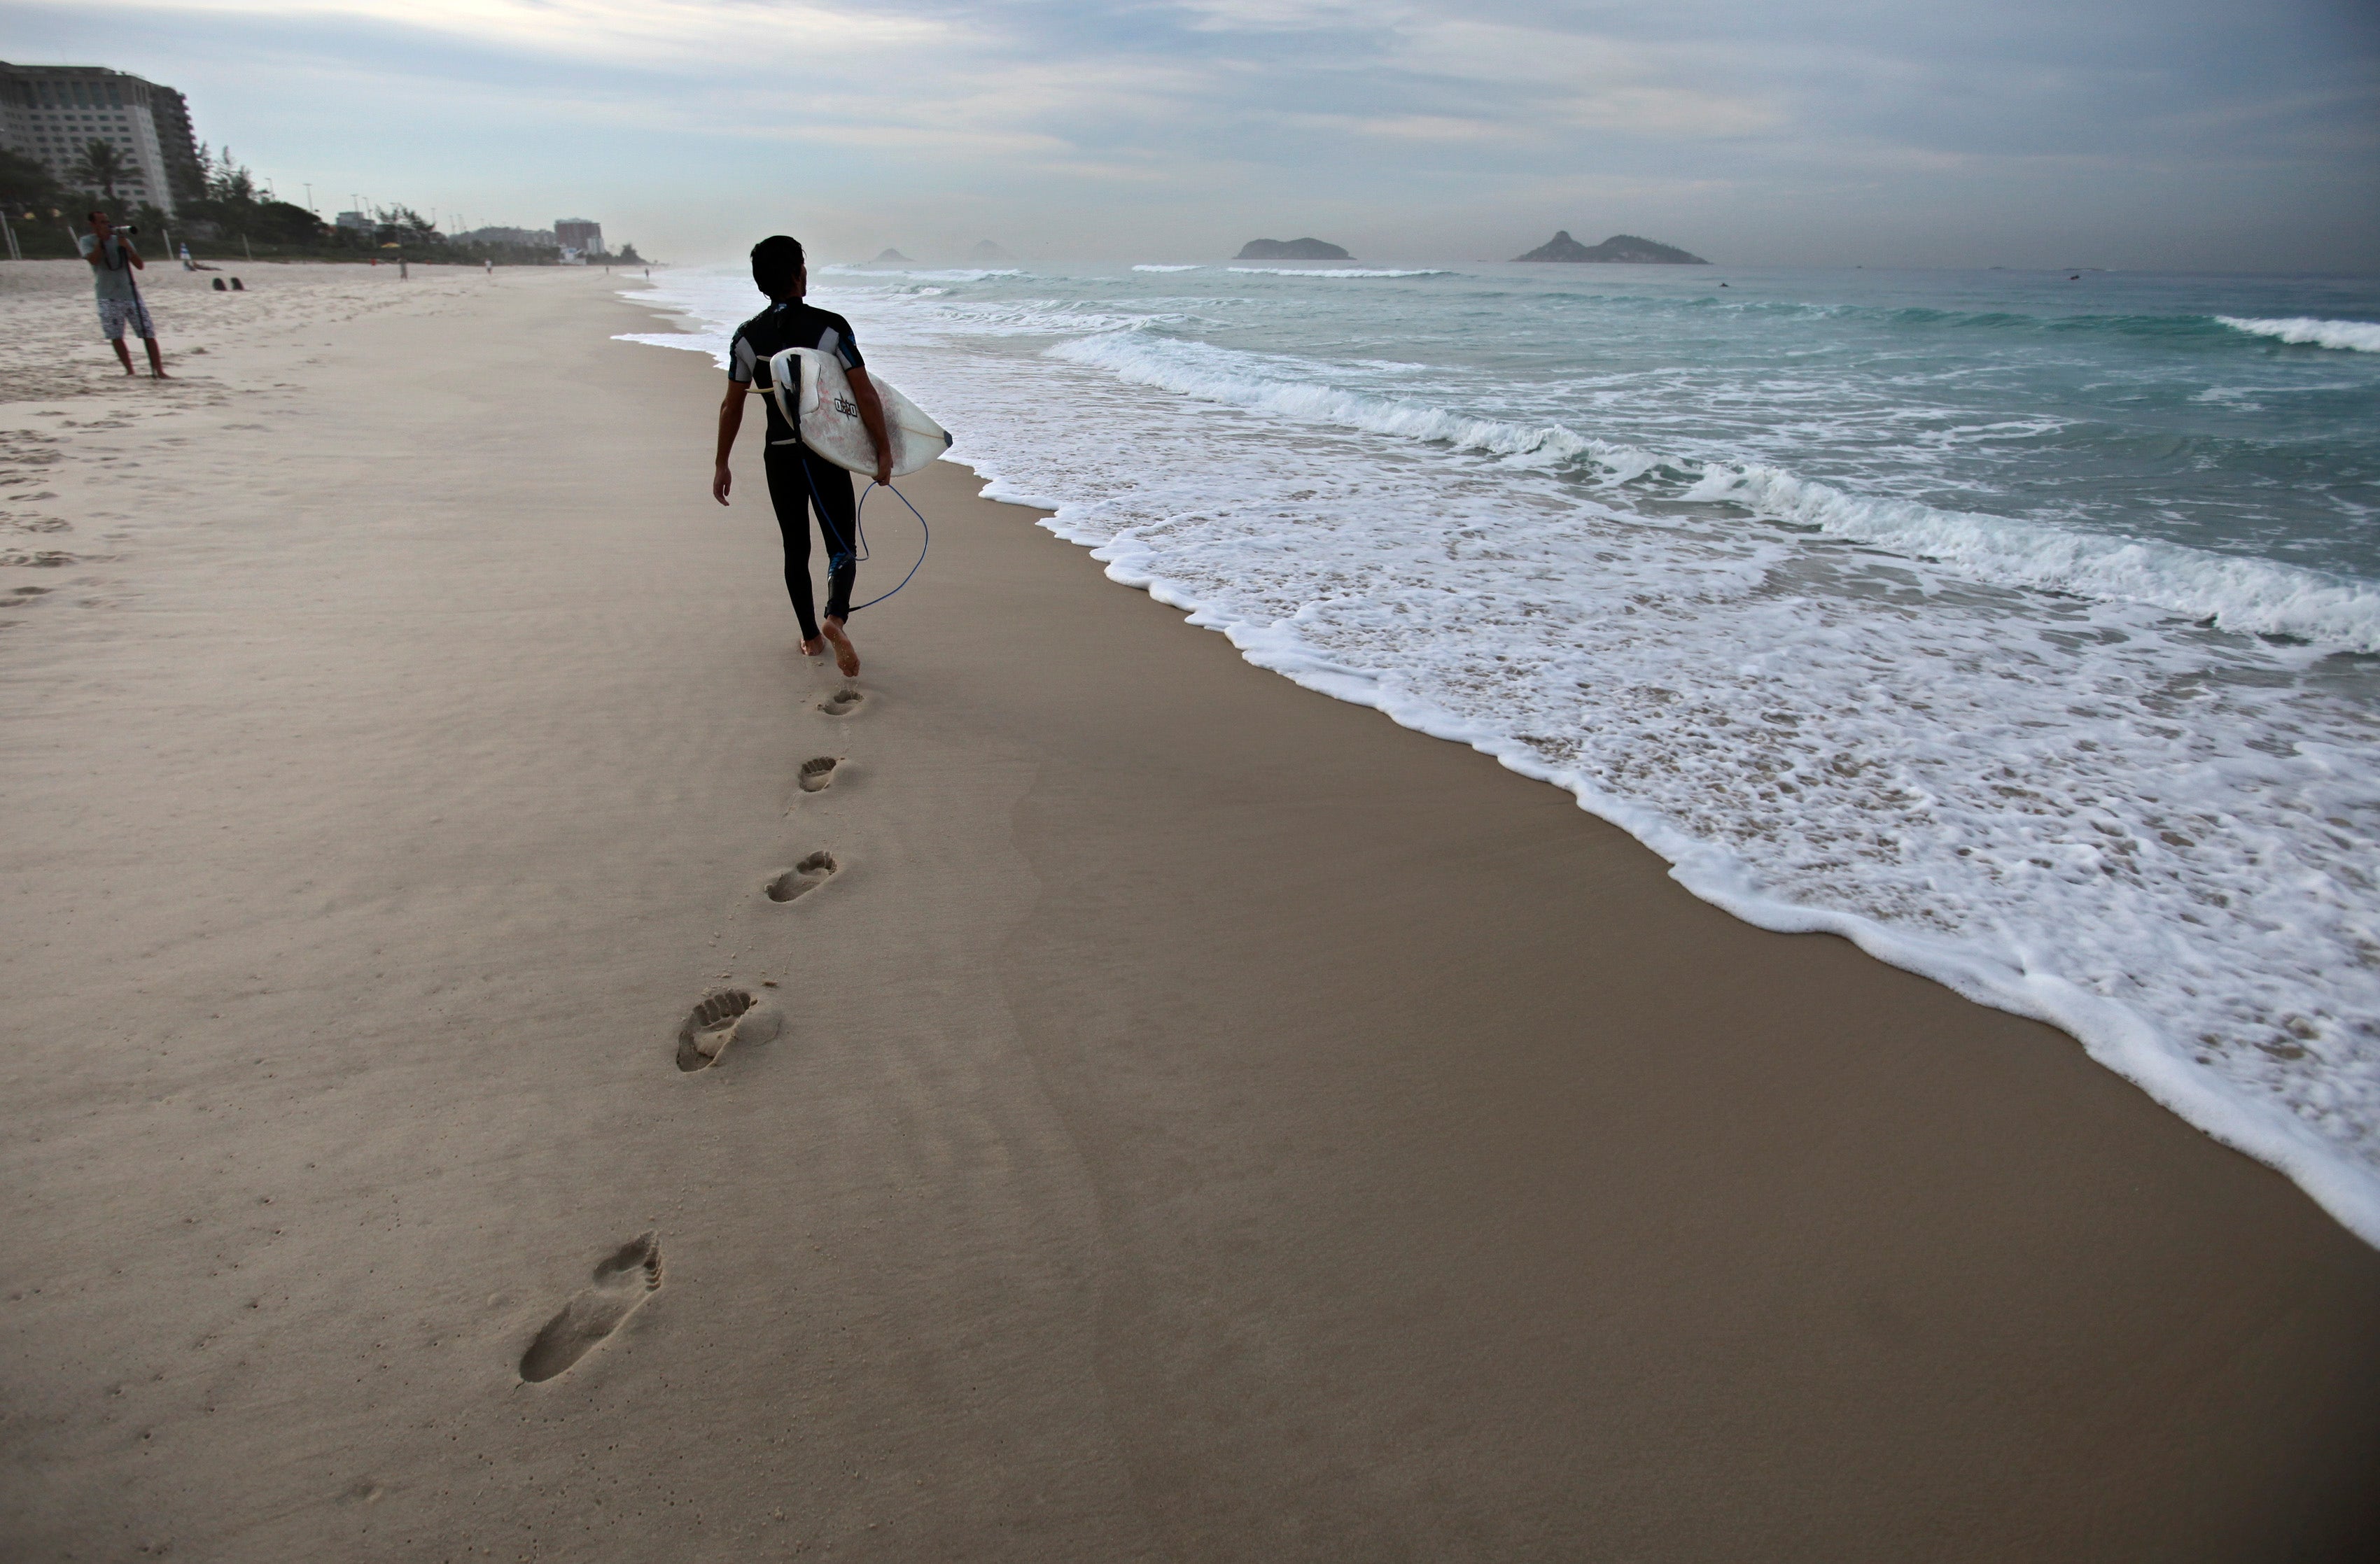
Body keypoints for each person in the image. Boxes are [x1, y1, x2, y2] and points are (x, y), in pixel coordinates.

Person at [712, 235, 891, 677]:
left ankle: (811, 637)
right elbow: (864, 394)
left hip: (779, 454)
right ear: (797, 274)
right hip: (823, 453)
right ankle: (835, 618)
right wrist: (883, 450)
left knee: (796, 546)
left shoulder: (746, 338)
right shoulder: (830, 328)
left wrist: (722, 463)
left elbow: (731, 405)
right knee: (841, 546)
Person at [79, 212, 166, 379]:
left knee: (148, 332)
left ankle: (158, 370)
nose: (107, 225)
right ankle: (129, 370)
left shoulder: (121, 240)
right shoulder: (87, 241)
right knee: (116, 335)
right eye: (102, 222)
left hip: (131, 293)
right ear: (93, 225)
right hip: (108, 294)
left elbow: (139, 265)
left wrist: (127, 248)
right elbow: (94, 260)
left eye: (108, 221)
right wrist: (101, 242)